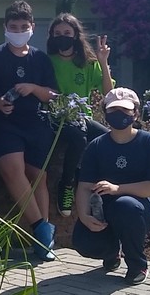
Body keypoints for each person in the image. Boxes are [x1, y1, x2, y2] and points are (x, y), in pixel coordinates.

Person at [0, 0, 59, 262]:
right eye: (13, 27)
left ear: (32, 27)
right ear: (5, 27)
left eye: (24, 27)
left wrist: (33, 88)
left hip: (36, 123)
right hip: (5, 125)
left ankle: (43, 242)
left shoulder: (41, 59)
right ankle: (42, 231)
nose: (18, 31)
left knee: (38, 178)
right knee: (12, 169)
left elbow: (53, 95)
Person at [73, 88, 150, 285]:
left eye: (125, 110)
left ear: (136, 113)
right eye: (113, 109)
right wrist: (84, 216)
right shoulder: (96, 146)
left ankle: (137, 265)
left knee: (125, 206)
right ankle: (112, 252)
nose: (119, 114)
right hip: (107, 208)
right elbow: (84, 187)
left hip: (143, 206)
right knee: (83, 242)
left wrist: (118, 189)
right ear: (105, 113)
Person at [47, 13, 115, 217]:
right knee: (78, 137)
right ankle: (66, 184)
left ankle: (92, 186)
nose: (62, 36)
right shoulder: (47, 61)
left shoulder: (88, 63)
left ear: (76, 35)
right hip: (56, 117)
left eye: (67, 32)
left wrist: (103, 61)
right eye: (57, 33)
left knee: (109, 139)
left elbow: (108, 93)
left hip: (83, 117)